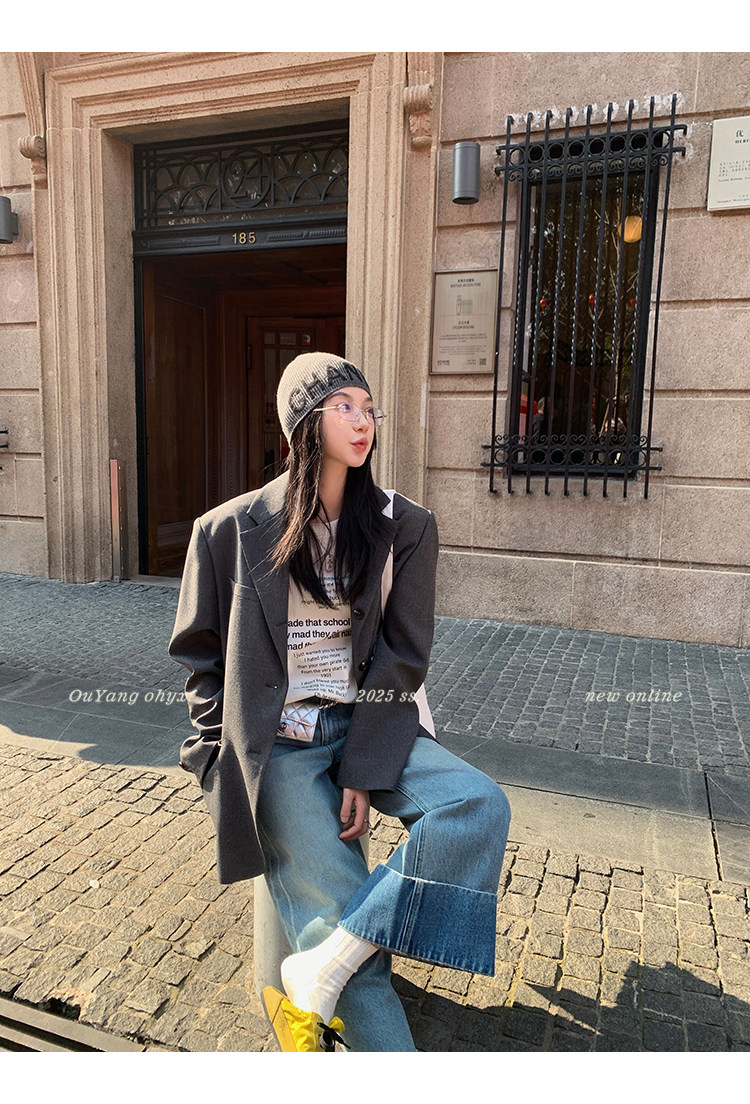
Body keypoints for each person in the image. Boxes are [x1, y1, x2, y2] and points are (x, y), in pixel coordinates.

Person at [169, 351, 511, 1052]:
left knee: (477, 806)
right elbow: (199, 656)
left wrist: (363, 765)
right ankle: (340, 962)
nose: (363, 421)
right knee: (349, 955)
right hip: (280, 747)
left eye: (368, 408)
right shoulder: (227, 530)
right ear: (304, 422)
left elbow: (402, 657)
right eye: (344, 407)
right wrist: (216, 757)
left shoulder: (403, 526)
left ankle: (327, 959)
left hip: (370, 722)